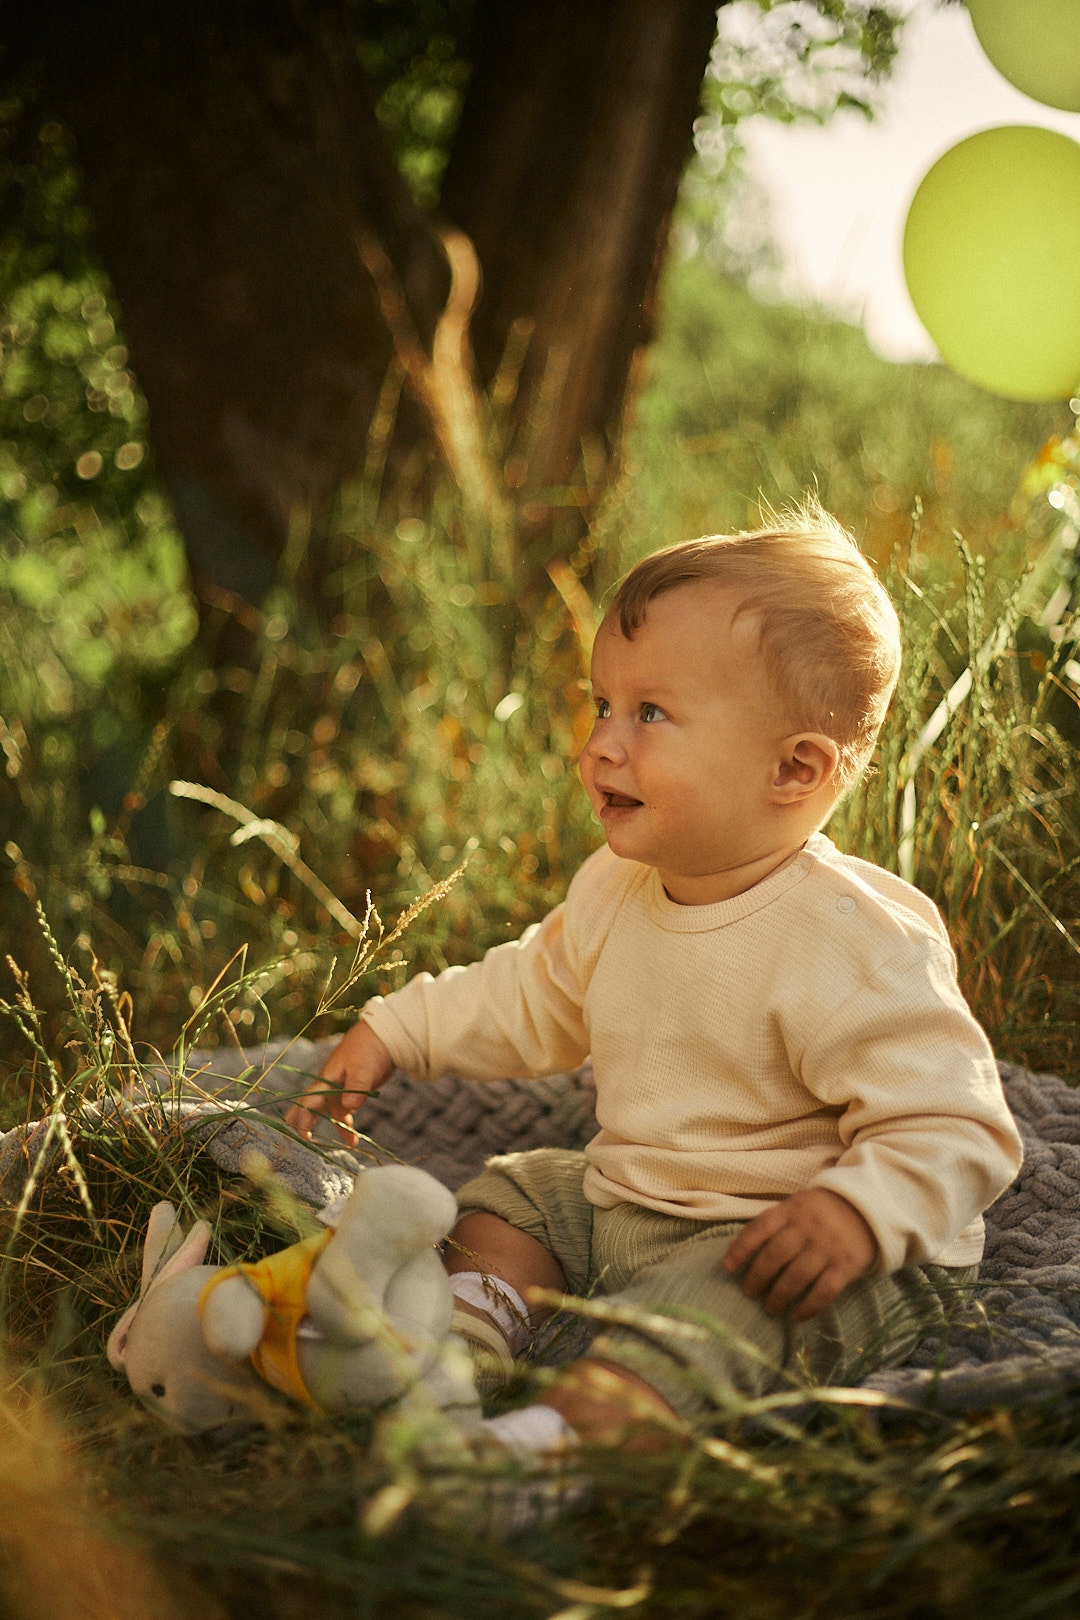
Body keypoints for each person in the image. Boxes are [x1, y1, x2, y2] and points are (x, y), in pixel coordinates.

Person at [286, 504, 1023, 1466]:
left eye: (651, 714)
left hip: (792, 1241)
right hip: (636, 1202)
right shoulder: (617, 889)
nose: (602, 744)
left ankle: (555, 1448)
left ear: (793, 768)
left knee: (721, 1312)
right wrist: (394, 1032)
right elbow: (531, 993)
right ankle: (455, 1341)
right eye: (601, 705)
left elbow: (960, 1125)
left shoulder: (856, 942)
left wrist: (856, 1213)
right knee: (517, 1194)